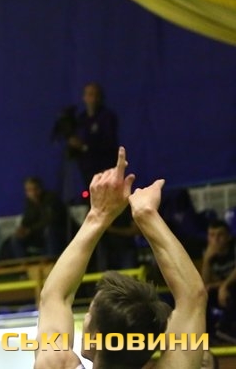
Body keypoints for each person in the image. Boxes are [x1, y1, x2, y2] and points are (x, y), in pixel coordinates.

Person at [34, 147, 206, 369]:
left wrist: (98, 215)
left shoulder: (58, 364)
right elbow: (193, 297)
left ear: (95, 337)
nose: (85, 319)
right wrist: (147, 216)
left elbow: (55, 296)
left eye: (89, 314)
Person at [0, 177, 69, 260]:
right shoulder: (29, 203)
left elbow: (50, 220)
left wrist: (30, 230)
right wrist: (22, 229)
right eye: (29, 190)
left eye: (35, 189)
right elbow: (27, 221)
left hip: (59, 233)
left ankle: (51, 261)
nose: (33, 193)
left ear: (40, 189)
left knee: (49, 230)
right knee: (16, 239)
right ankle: (24, 264)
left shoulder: (51, 199)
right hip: (38, 235)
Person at [67, 83, 119, 188]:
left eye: (96, 95)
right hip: (86, 169)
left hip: (104, 168)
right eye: (90, 95)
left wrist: (85, 146)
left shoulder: (107, 117)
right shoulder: (81, 119)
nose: (93, 99)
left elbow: (108, 143)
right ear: (84, 97)